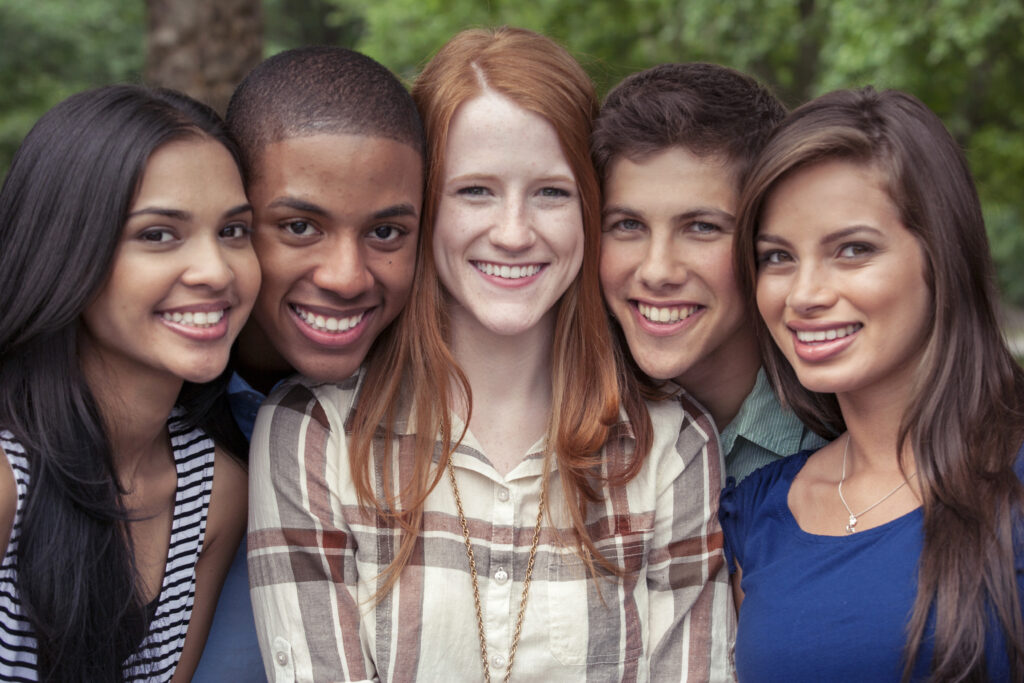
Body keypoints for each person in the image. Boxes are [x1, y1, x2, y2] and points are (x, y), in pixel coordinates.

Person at [249, 27, 732, 681]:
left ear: (590, 208)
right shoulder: (315, 432)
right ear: (424, 206)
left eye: (551, 192)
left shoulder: (671, 444)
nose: (513, 232)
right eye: (474, 190)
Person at [722, 87, 1024, 680]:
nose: (805, 294)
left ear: (941, 257)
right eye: (777, 257)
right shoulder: (758, 512)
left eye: (853, 250)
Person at [0, 85, 259, 682]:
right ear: (66, 250)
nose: (216, 271)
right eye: (158, 235)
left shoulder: (214, 490)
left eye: (233, 231)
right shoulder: (8, 477)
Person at [192, 48, 425, 681]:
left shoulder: (447, 421)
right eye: (300, 226)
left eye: (386, 234)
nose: (346, 278)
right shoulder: (151, 405)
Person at [592, 63, 828, 484]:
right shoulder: (560, 418)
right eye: (628, 225)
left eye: (701, 227)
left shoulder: (843, 433)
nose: (658, 271)